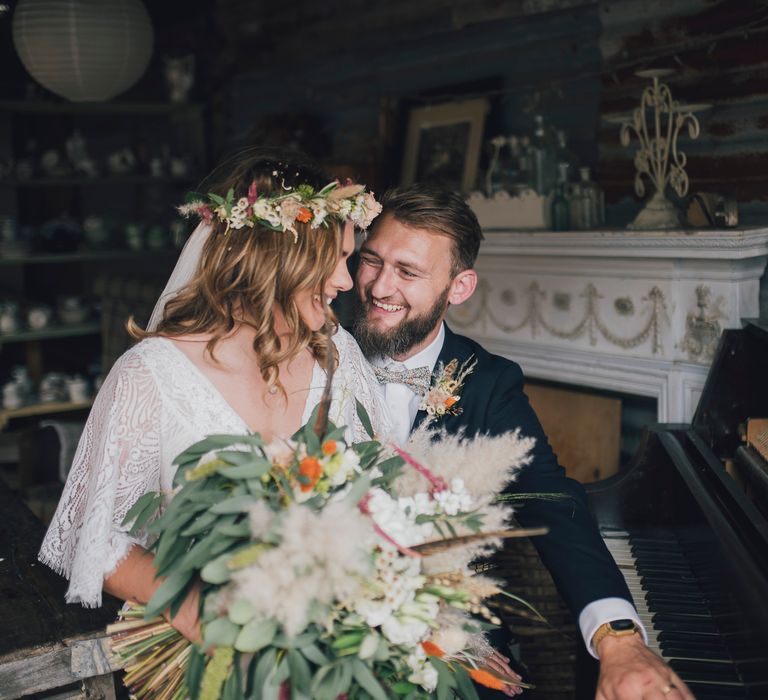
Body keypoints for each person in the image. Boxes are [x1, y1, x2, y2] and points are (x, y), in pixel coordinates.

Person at [352, 183, 694, 700]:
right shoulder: (316, 345)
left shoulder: (489, 383)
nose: (378, 287)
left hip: (454, 628)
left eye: (408, 272)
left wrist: (617, 635)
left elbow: (552, 500)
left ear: (459, 287)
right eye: (372, 261)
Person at [38, 149, 390, 643]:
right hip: (216, 648)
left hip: (340, 631)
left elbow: (383, 495)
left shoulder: (340, 357)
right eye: (332, 261)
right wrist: (196, 606)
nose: (345, 281)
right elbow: (93, 541)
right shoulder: (151, 375)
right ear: (272, 260)